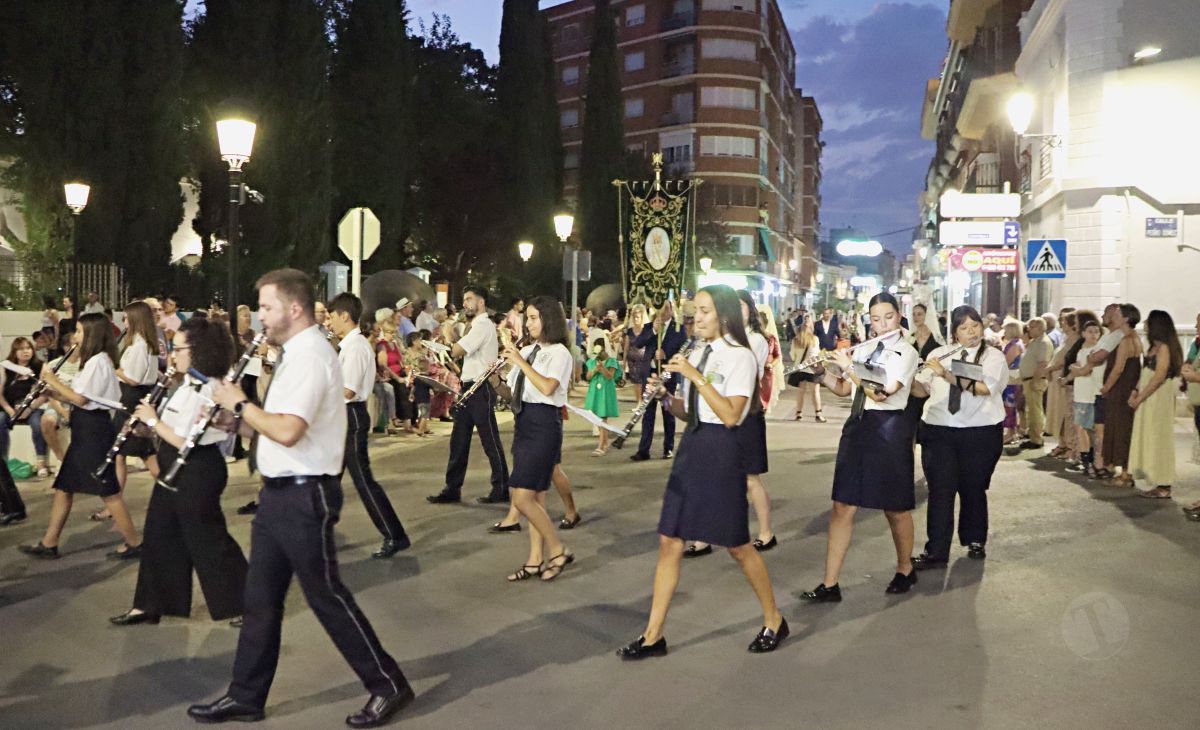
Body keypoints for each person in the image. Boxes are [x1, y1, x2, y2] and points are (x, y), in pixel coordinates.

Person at [191, 268, 414, 727]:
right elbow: (272, 427)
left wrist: (237, 402)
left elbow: (290, 431)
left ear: (293, 308)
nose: (260, 317)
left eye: (267, 307)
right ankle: (246, 696)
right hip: (279, 495)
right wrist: (233, 422)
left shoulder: (312, 355)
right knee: (260, 600)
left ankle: (388, 684)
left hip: (305, 495)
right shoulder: (293, 354)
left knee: (327, 597)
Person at [616, 284, 787, 660]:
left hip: (722, 453)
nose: (697, 318)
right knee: (670, 540)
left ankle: (774, 618)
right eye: (697, 311)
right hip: (692, 447)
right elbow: (694, 411)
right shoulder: (700, 352)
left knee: (738, 547)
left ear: (724, 315)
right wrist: (665, 398)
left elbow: (730, 415)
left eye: (706, 311)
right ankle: (652, 635)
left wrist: (694, 375)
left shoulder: (740, 356)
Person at [109, 317, 248, 626]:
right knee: (159, 534)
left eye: (178, 348)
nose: (173, 354)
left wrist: (154, 420)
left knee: (208, 540)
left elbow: (188, 440)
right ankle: (149, 605)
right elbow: (173, 430)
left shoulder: (210, 388)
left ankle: (248, 604)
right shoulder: (185, 383)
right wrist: (148, 431)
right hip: (175, 464)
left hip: (198, 468)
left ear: (198, 350)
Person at [800, 292, 921, 603]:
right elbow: (844, 389)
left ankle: (905, 568)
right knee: (842, 505)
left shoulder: (906, 352)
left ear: (899, 316)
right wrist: (821, 373)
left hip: (889, 429)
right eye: (876, 318)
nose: (882, 324)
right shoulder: (864, 347)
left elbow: (882, 393)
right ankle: (830, 584)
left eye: (888, 317)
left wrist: (850, 368)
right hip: (858, 427)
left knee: (894, 507)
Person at [17, 314, 143, 559]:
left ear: (92, 335)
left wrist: (52, 378)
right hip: (87, 426)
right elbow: (82, 397)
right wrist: (53, 391)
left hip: (93, 431)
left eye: (79, 331)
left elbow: (82, 399)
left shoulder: (98, 361)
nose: (75, 336)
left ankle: (135, 542)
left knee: (108, 489)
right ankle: (49, 542)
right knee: (65, 487)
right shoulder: (97, 361)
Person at [909, 306, 1006, 568]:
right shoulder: (939, 354)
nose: (971, 331)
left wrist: (947, 375)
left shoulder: (992, 357)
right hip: (939, 429)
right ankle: (936, 551)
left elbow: (985, 388)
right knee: (940, 491)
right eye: (964, 327)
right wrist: (906, 379)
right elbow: (922, 390)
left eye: (975, 325)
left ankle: (975, 539)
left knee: (973, 488)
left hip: (980, 431)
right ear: (954, 333)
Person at [493, 296, 575, 582]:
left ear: (549, 319)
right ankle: (534, 559)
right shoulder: (528, 350)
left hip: (545, 425)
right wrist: (495, 380)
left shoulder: (559, 353)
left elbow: (548, 387)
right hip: (524, 422)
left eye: (534, 318)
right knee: (536, 497)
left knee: (521, 496)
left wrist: (518, 361)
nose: (528, 323)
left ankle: (557, 549)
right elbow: (512, 395)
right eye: (527, 317)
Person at [330, 293, 411, 558]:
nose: (330, 322)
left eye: (332, 316)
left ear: (344, 315)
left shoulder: (355, 348)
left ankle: (394, 534)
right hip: (344, 417)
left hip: (350, 417)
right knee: (328, 479)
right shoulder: (351, 346)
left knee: (363, 481)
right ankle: (319, 532)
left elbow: (348, 391)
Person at [428, 287, 510, 505]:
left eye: (469, 299)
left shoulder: (482, 326)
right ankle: (452, 488)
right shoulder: (478, 326)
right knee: (459, 440)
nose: (465, 303)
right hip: (471, 387)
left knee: (489, 439)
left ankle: (501, 487)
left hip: (480, 387)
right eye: (464, 300)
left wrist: (446, 339)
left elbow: (456, 351)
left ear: (481, 302)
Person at [1128, 310, 1183, 499]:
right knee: (1148, 434)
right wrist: (1135, 391)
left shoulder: (1164, 348)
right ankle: (1152, 476)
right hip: (1147, 395)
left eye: (1148, 321)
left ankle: (1163, 482)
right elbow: (1145, 372)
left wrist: (1140, 396)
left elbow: (1159, 376)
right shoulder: (1154, 346)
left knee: (1159, 436)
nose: (1145, 324)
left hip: (1157, 398)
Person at [113, 301, 163, 494]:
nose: (124, 322)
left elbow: (133, 378)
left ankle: (171, 493)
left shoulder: (140, 344)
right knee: (125, 452)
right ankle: (113, 502)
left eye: (126, 318)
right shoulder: (141, 342)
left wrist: (114, 368)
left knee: (143, 452)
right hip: (133, 397)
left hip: (132, 399)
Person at [630, 300, 686, 461]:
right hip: (650, 374)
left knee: (668, 411)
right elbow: (638, 343)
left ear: (671, 310)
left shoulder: (678, 328)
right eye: (660, 308)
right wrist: (654, 330)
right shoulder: (649, 327)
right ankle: (643, 449)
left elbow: (683, 351)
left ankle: (668, 447)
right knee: (647, 412)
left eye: (666, 308)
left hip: (667, 374)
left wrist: (666, 355)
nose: (663, 312)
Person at [1099, 304, 1142, 486]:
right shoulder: (1135, 338)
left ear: (1125, 318)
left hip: (1120, 388)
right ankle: (1124, 469)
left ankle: (1125, 472)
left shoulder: (1126, 340)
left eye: (1117, 315)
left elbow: (1118, 369)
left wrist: (1106, 387)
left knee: (1120, 427)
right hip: (1128, 386)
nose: (1113, 317)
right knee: (1124, 426)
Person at [0, 336, 48, 475]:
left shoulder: (40, 366)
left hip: (33, 407)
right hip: (9, 407)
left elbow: (45, 394)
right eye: (21, 349)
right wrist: (10, 411)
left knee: (37, 423)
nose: (25, 351)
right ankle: (3, 462)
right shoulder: (6, 367)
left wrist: (30, 409)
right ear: (14, 352)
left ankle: (41, 462)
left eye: (28, 348)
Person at [1064, 314, 1104, 477]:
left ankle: (1090, 462)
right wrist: (1068, 376)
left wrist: (1076, 370)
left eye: (1096, 331)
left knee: (1086, 429)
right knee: (1081, 428)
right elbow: (1078, 370)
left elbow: (1086, 371)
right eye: (1090, 331)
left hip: (1091, 394)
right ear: (1084, 334)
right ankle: (1086, 460)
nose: (1094, 334)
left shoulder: (1097, 351)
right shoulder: (1081, 351)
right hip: (1081, 394)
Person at [1044, 312, 1080, 459]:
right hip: (1056, 379)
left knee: (1063, 412)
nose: (1061, 324)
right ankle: (1062, 442)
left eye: (1064, 321)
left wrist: (1050, 369)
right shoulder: (1066, 338)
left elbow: (1067, 359)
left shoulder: (1075, 339)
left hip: (1061, 377)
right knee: (1057, 411)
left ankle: (1068, 444)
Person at [1015, 316, 1053, 451]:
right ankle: (1032, 435)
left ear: (1040, 328)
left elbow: (1042, 363)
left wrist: (1035, 379)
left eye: (1032, 327)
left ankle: (1037, 438)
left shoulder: (1043, 342)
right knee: (1030, 410)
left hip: (1035, 380)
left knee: (1035, 410)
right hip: (1028, 379)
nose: (1029, 330)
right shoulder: (1035, 341)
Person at [904, 303, 943, 430]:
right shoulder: (910, 337)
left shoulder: (936, 338)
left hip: (929, 383)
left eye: (920, 314)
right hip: (913, 383)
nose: (916, 317)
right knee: (910, 423)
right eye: (914, 314)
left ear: (927, 316)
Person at [583, 330, 622, 456]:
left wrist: (602, 368)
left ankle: (601, 445)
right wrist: (595, 369)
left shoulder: (611, 361)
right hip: (595, 391)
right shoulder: (592, 361)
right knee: (596, 418)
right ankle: (605, 442)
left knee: (602, 418)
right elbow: (588, 377)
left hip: (605, 391)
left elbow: (610, 376)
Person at [790, 314, 826, 421]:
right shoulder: (815, 339)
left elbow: (792, 355)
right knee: (815, 392)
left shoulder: (796, 339)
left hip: (800, 368)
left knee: (801, 391)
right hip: (812, 368)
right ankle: (818, 414)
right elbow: (816, 354)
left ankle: (798, 413)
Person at [1000, 318, 1024, 444]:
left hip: (1012, 379)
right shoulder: (1017, 343)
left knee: (1010, 406)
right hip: (1012, 378)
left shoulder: (1014, 345)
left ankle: (1011, 432)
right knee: (1011, 406)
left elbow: (1007, 362)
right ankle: (1012, 432)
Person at [404, 331, 433, 436]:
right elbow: (407, 367)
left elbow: (426, 365)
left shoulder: (422, 353)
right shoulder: (407, 353)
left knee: (426, 404)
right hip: (414, 377)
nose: (421, 342)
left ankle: (423, 425)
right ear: (413, 341)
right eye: (419, 340)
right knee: (424, 405)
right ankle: (421, 426)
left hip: (423, 376)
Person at [622, 304, 651, 402]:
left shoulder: (646, 330)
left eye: (637, 317)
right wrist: (624, 360)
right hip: (632, 361)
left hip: (643, 360)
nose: (635, 319)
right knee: (636, 382)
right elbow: (626, 347)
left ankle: (644, 401)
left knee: (643, 382)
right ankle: (638, 401)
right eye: (634, 317)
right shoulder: (630, 331)